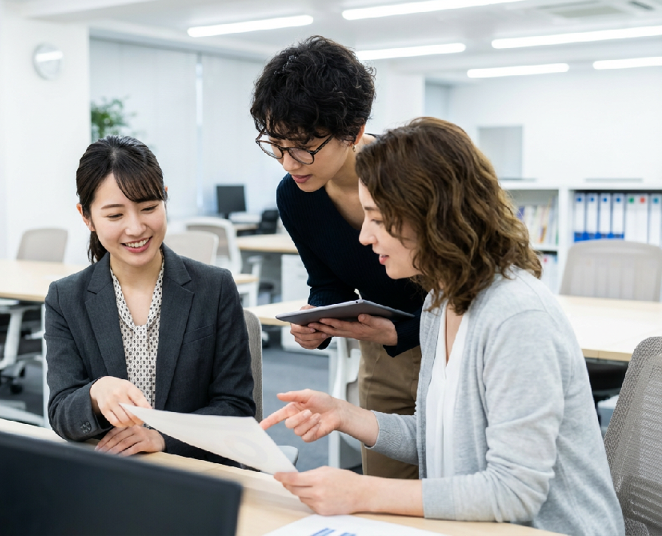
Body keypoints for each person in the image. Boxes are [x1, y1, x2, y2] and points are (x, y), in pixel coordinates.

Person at [261, 118, 624, 535]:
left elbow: (515, 491)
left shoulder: (517, 316)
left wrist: (362, 492)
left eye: (377, 219)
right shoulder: (440, 302)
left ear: (432, 218)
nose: (363, 237)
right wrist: (345, 414)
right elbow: (437, 437)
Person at [250, 35, 427, 479]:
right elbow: (326, 278)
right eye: (277, 145)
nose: (290, 161)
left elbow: (468, 293)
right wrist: (319, 322)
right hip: (383, 355)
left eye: (305, 145)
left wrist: (402, 329)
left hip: (451, 345)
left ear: (355, 130)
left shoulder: (412, 178)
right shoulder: (296, 196)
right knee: (386, 490)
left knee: (459, 487)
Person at [45, 135, 255, 464]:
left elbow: (236, 408)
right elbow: (61, 413)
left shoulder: (214, 288)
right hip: (112, 471)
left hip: (193, 470)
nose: (136, 227)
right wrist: (94, 395)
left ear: (165, 201)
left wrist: (162, 438)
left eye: (148, 208)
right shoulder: (66, 298)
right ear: (87, 218)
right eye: (115, 216)